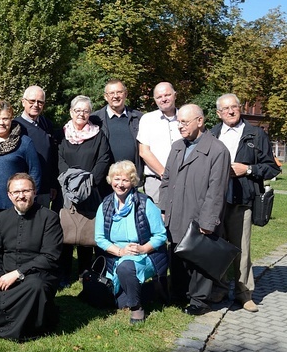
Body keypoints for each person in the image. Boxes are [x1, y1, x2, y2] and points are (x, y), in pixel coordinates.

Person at [211, 93, 281, 312]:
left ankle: (244, 293)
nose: (231, 111)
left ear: (240, 109)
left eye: (234, 107)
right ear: (218, 113)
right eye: (226, 109)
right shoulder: (212, 134)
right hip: (215, 200)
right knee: (217, 247)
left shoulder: (255, 134)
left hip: (243, 199)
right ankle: (219, 289)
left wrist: (248, 169)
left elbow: (272, 167)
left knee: (241, 249)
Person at [159, 104, 230, 316]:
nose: (179, 126)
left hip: (199, 215)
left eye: (184, 122)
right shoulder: (178, 146)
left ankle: (199, 301)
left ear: (200, 121)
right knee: (177, 254)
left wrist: (208, 223)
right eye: (178, 122)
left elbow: (216, 191)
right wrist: (163, 208)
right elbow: (167, 179)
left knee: (199, 260)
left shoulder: (217, 150)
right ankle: (179, 294)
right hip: (175, 211)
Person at [0, 173, 62, 341]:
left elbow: (50, 256)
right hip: (5, 277)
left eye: (26, 191)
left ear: (34, 192)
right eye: (16, 192)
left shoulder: (49, 218)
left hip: (37, 276)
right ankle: (32, 316)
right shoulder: (1, 218)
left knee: (36, 287)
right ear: (9, 195)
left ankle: (22, 326)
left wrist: (17, 273)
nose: (21, 196)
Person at [94, 161, 168, 324]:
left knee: (126, 268)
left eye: (125, 180)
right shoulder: (104, 205)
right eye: (117, 179)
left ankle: (136, 308)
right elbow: (99, 238)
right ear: (111, 180)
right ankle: (149, 291)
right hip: (116, 256)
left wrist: (142, 248)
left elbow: (161, 235)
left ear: (133, 181)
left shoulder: (145, 203)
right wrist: (120, 252)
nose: (120, 184)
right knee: (115, 302)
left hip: (144, 255)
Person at [58, 95, 111, 283]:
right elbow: (60, 159)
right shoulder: (62, 134)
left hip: (90, 191)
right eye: (77, 110)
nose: (81, 114)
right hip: (66, 191)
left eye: (85, 111)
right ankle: (64, 273)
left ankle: (84, 272)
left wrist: (88, 183)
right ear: (71, 112)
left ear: (90, 113)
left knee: (86, 231)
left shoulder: (98, 135)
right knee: (66, 229)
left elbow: (103, 159)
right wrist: (71, 183)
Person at [0, 100, 41, 254]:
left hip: (14, 202)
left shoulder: (24, 143)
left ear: (11, 118)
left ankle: (11, 275)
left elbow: (35, 172)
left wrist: (30, 197)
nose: (1, 123)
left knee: (11, 243)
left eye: (5, 118)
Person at [90, 79, 144, 185]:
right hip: (103, 180)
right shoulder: (95, 119)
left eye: (119, 92)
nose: (115, 96)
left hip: (131, 179)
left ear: (125, 94)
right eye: (111, 93)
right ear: (105, 96)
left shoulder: (139, 118)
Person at [137, 82, 181, 201]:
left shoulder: (185, 117)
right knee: (157, 217)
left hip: (184, 179)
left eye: (167, 95)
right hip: (156, 181)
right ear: (155, 100)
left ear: (175, 95)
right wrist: (165, 174)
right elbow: (144, 152)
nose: (164, 99)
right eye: (159, 97)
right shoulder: (147, 119)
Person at [14, 85, 60, 198]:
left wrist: (53, 184)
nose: (36, 105)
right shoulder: (15, 126)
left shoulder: (47, 124)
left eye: (40, 102)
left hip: (44, 188)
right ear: (23, 102)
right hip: (22, 190)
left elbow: (53, 156)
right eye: (32, 101)